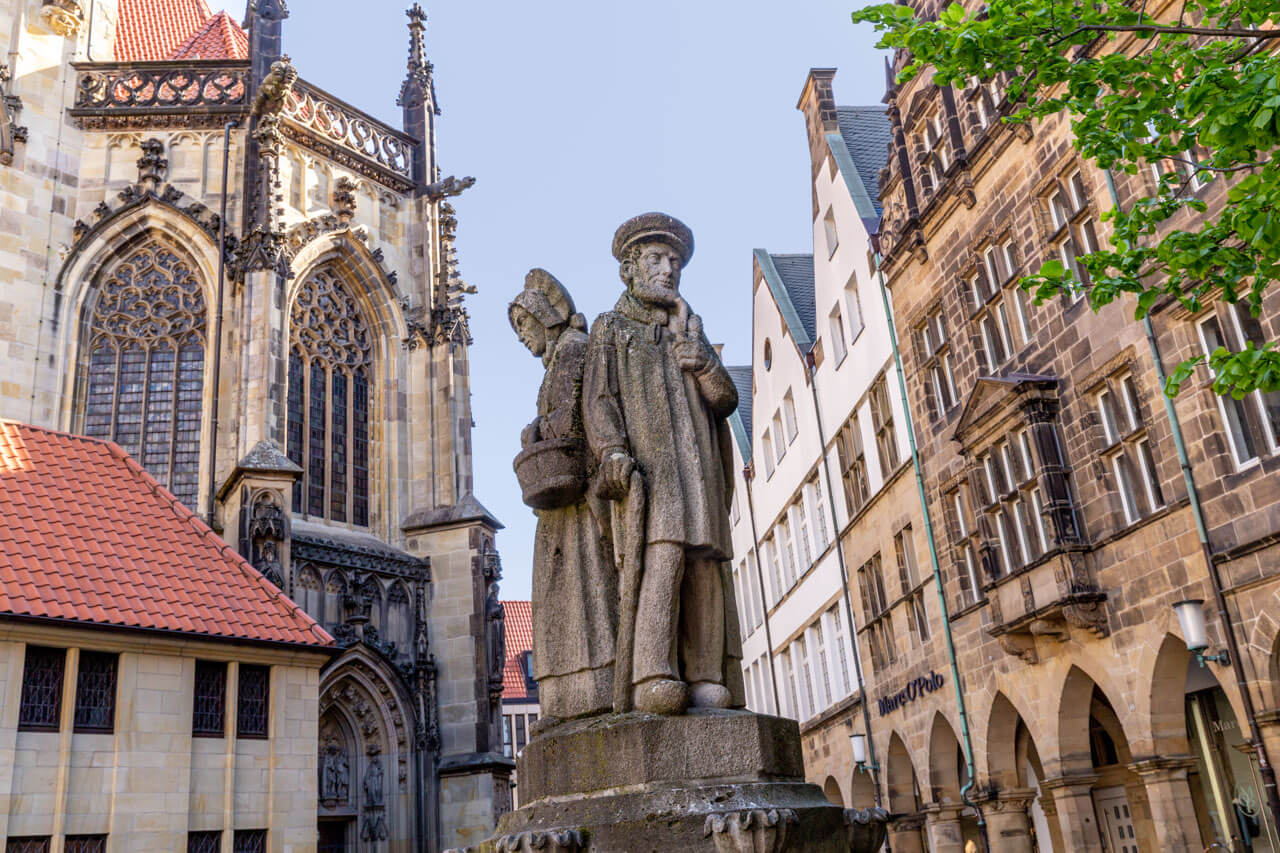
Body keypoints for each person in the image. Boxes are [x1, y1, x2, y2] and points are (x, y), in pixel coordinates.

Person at [583, 212, 745, 715]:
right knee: (664, 558)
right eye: (655, 258)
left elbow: (725, 401)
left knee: (703, 567)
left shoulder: (690, 327)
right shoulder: (612, 328)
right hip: (654, 475)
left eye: (674, 260)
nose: (668, 269)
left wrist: (705, 363)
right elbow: (598, 399)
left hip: (698, 472)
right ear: (629, 269)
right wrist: (612, 450)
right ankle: (653, 672)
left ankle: (705, 675)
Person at [510, 269, 618, 720]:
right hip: (560, 504)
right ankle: (571, 690)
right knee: (565, 597)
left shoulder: (572, 352)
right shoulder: (558, 360)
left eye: (524, 326)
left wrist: (532, 429)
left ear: (544, 319)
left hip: (574, 500)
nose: (522, 337)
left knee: (581, 593)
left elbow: (572, 422)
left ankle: (590, 689)